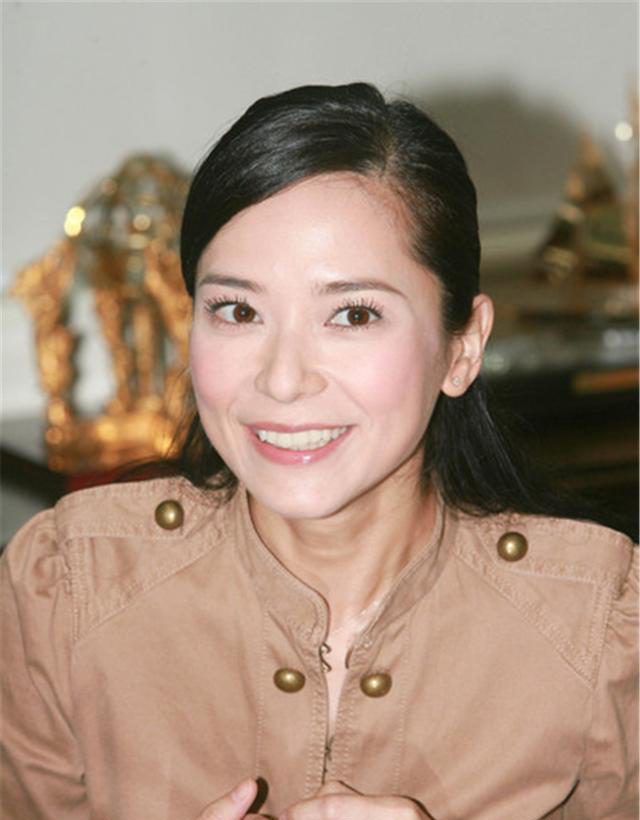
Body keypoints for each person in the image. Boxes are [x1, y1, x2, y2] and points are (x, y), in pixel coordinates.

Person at [1, 83, 637, 820]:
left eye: (353, 314)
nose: (282, 379)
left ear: (462, 347)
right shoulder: (64, 591)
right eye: (238, 310)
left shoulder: (603, 628)